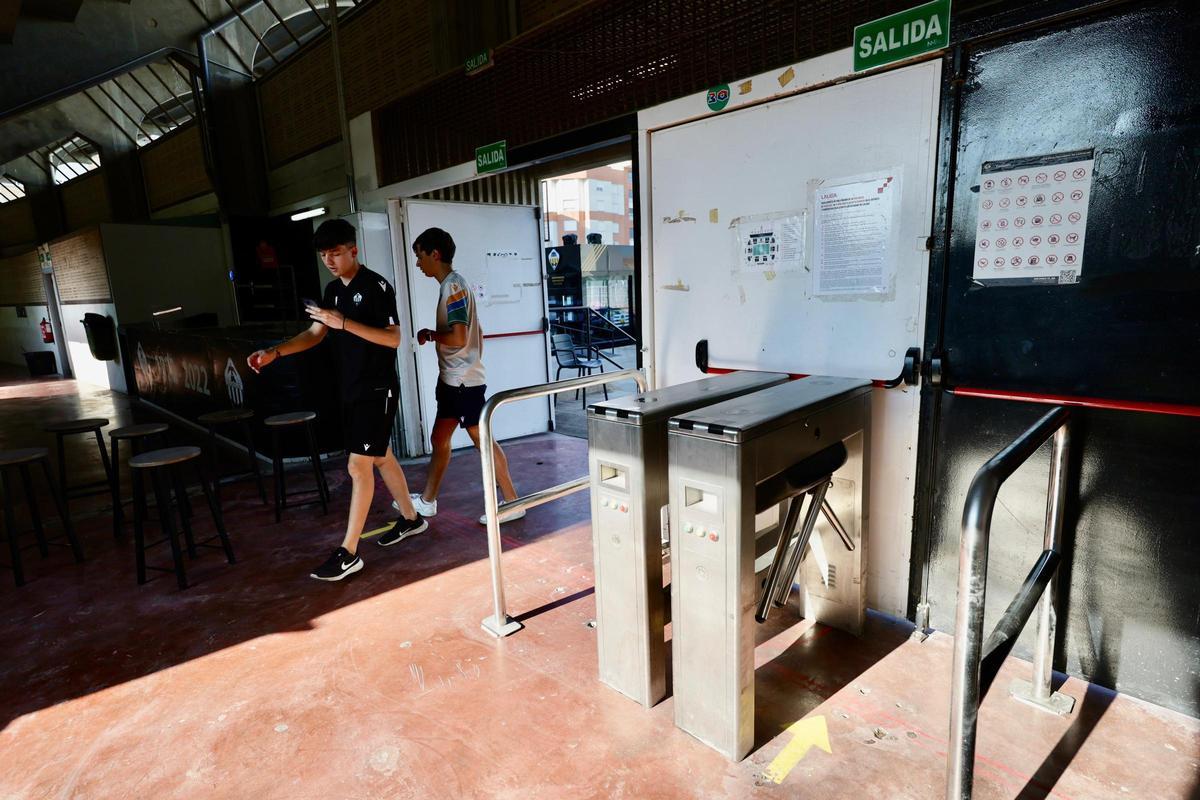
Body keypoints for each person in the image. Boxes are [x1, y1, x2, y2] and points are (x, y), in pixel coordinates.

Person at [247, 219, 427, 581]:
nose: (329, 260)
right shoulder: (332, 291)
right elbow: (316, 333)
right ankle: (411, 518)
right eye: (324, 254)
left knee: (358, 466)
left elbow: (393, 339)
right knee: (379, 455)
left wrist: (343, 323)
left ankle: (348, 552)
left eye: (336, 252)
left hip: (377, 388)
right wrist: (275, 353)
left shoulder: (376, 286)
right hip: (351, 386)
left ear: (353, 250)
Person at [401, 227, 523, 525]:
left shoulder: (453, 287)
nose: (418, 263)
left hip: (463, 382)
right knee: (439, 437)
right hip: (452, 380)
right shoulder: (452, 286)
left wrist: (431, 334)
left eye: (419, 256)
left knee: (482, 440)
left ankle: (512, 502)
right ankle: (428, 501)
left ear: (435, 254)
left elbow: (457, 337)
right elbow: (471, 334)